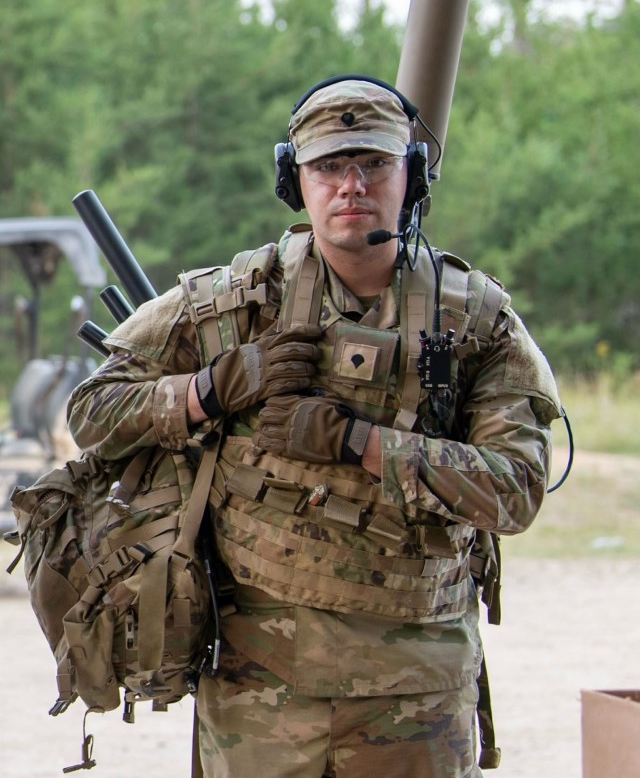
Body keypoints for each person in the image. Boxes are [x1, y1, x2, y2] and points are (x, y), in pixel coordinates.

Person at [67, 76, 561, 778]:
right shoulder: (230, 303)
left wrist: (357, 443)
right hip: (258, 693)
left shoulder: (476, 321)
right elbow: (92, 411)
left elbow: (516, 491)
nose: (351, 185)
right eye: (328, 166)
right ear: (294, 180)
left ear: (412, 176)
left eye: (374, 164)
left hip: (414, 693)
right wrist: (212, 387)